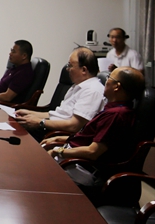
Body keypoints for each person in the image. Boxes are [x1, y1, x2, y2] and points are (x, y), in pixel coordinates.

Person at [43, 67, 145, 200]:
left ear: (117, 86)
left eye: (109, 78)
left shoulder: (116, 115)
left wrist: (59, 151)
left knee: (33, 171)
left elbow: (93, 152)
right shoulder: (113, 109)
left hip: (81, 168)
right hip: (73, 159)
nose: (106, 81)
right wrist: (59, 139)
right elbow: (89, 137)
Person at [15, 47, 105, 141]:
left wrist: (39, 122)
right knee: (15, 125)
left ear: (84, 70)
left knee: (17, 134)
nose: (67, 69)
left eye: (70, 65)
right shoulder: (77, 86)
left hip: (57, 134)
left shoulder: (92, 91)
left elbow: (74, 126)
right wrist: (31, 113)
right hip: (51, 127)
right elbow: (60, 115)